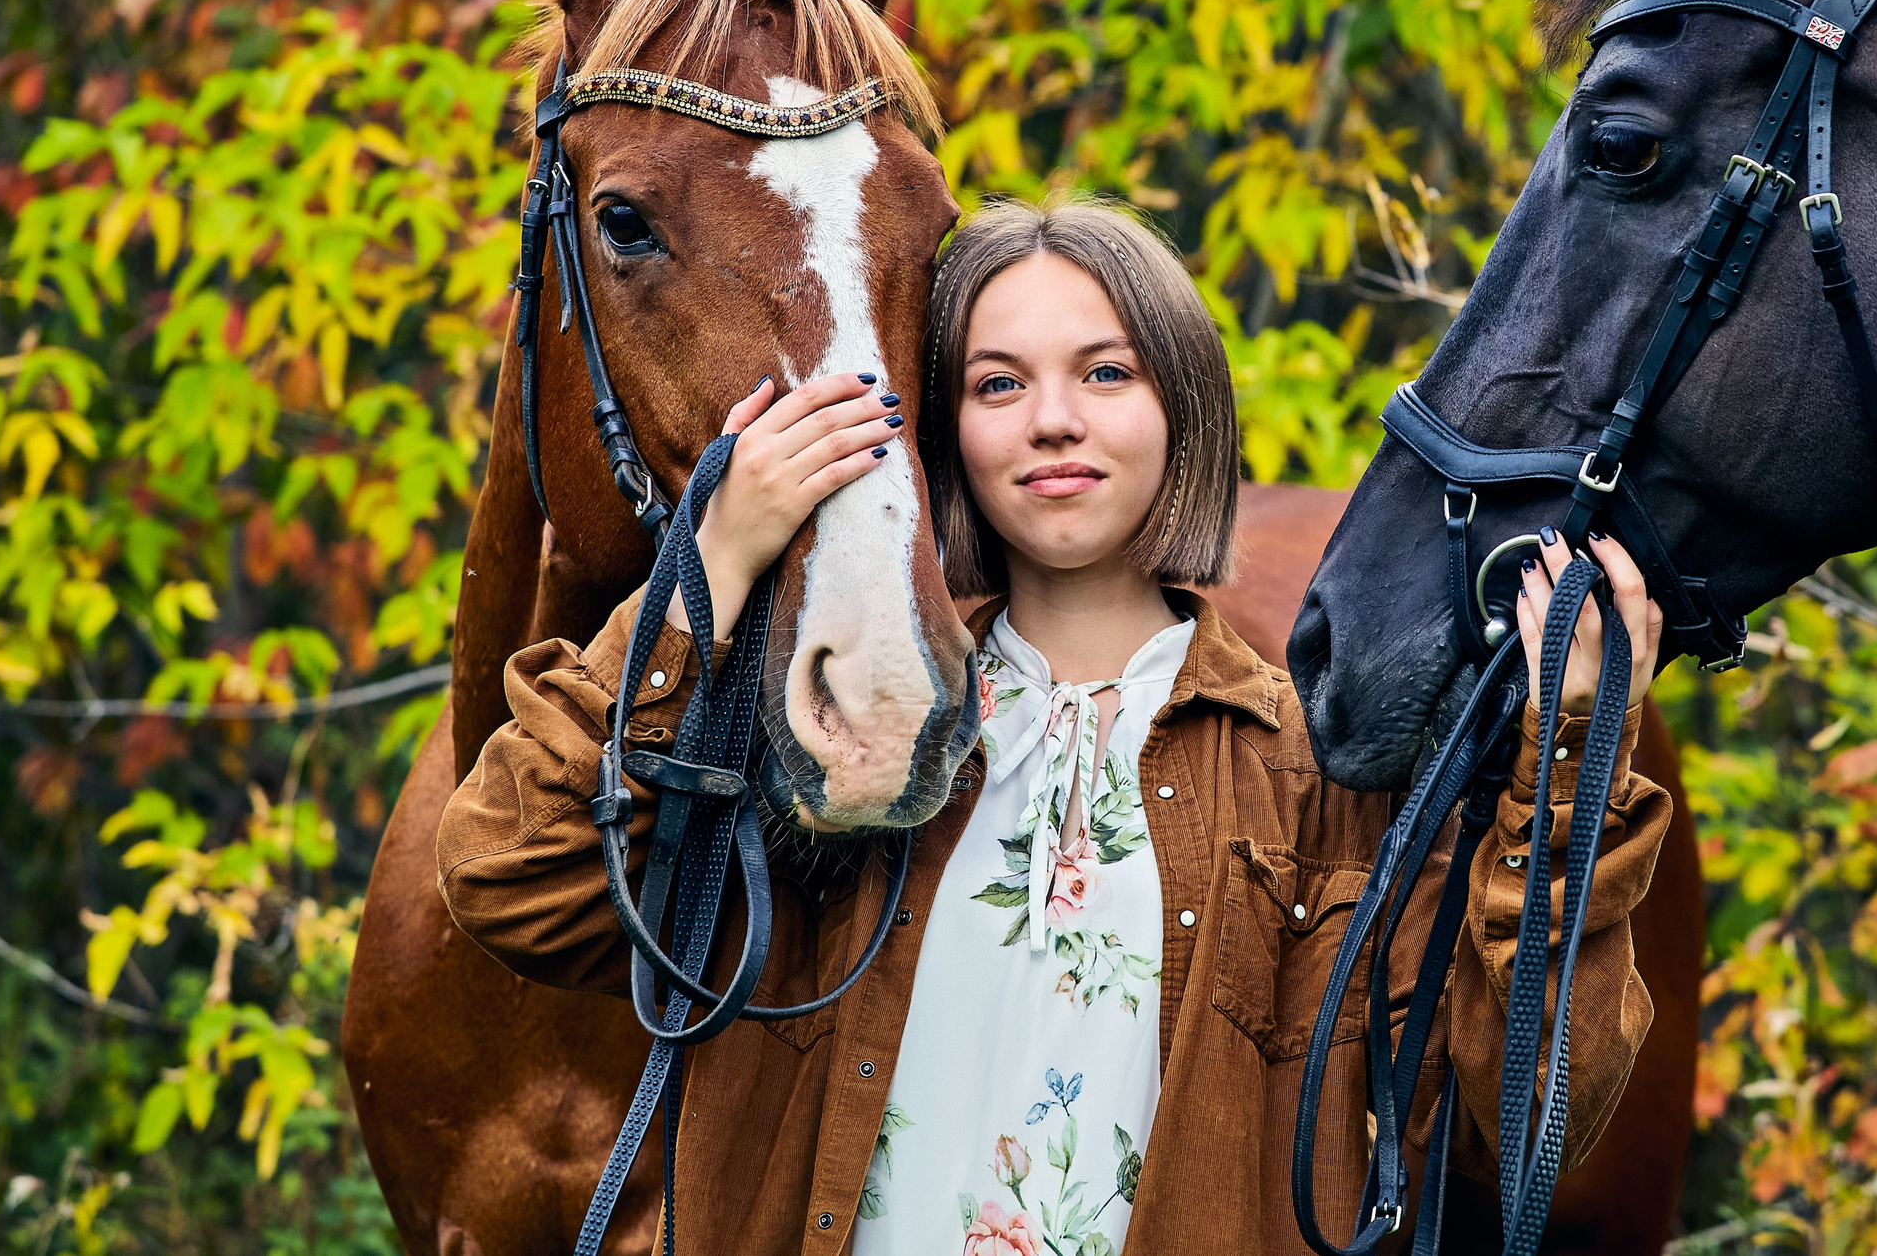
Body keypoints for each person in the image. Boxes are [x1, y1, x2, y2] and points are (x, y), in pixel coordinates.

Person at [436, 196, 1671, 1253]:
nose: (1052, 420)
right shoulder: (836, 734)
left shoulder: (1320, 768)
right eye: (995, 382)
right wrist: (706, 573)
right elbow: (511, 873)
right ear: (940, 431)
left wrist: (1570, 750)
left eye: (1106, 371)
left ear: (1180, 402)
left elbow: (1517, 1111)